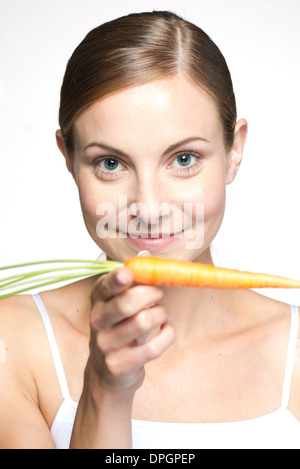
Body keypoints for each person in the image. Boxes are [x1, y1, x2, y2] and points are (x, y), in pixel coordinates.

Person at [0, 10, 299, 450]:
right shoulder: (13, 343)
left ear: (235, 150)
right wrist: (104, 390)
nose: (149, 208)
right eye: (110, 163)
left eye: (183, 159)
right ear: (69, 157)